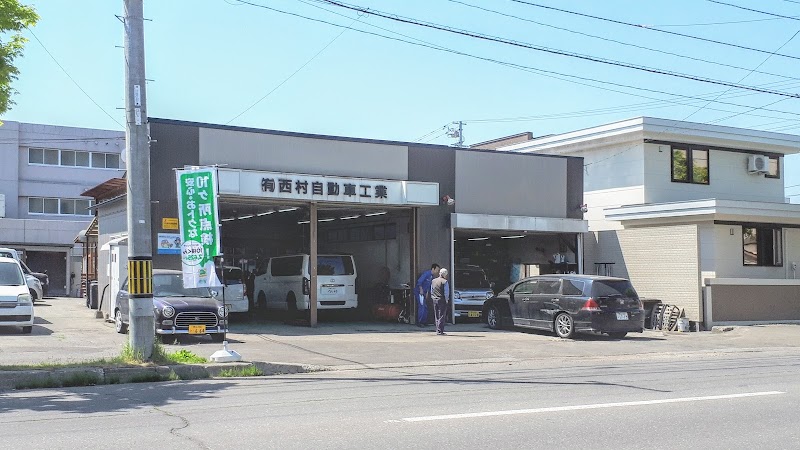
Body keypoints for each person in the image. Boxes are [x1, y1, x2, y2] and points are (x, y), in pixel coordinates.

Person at [414, 263, 439, 327]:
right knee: (421, 306)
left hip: (425, 292)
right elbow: (419, 282)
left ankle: (424, 321)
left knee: (425, 307)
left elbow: (429, 286)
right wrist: (421, 290)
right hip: (419, 292)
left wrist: (427, 293)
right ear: (433, 269)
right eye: (437, 270)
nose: (437, 272)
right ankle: (419, 322)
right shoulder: (426, 274)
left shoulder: (432, 276)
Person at [431, 268, 450, 335]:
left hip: (434, 299)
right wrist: (447, 300)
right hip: (442, 299)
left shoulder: (433, 281)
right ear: (445, 275)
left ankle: (437, 329)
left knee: (436, 315)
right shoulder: (445, 282)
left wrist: (432, 297)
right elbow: (446, 292)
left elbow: (432, 290)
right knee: (441, 315)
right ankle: (440, 330)